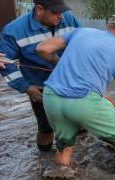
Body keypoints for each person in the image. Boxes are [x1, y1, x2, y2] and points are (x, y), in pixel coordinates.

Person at [36, 14, 115, 170]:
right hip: (83, 101)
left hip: (51, 96)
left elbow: (42, 48)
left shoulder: (81, 31)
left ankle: (61, 171)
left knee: (64, 147)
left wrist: (60, 63)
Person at [0, 0, 80, 152]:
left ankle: (78, 152)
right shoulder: (13, 31)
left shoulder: (69, 19)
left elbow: (83, 44)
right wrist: (26, 88)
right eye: (56, 12)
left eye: (62, 11)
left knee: (80, 121)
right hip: (40, 88)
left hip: (72, 83)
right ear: (39, 9)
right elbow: (6, 63)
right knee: (46, 130)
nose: (61, 17)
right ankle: (43, 159)